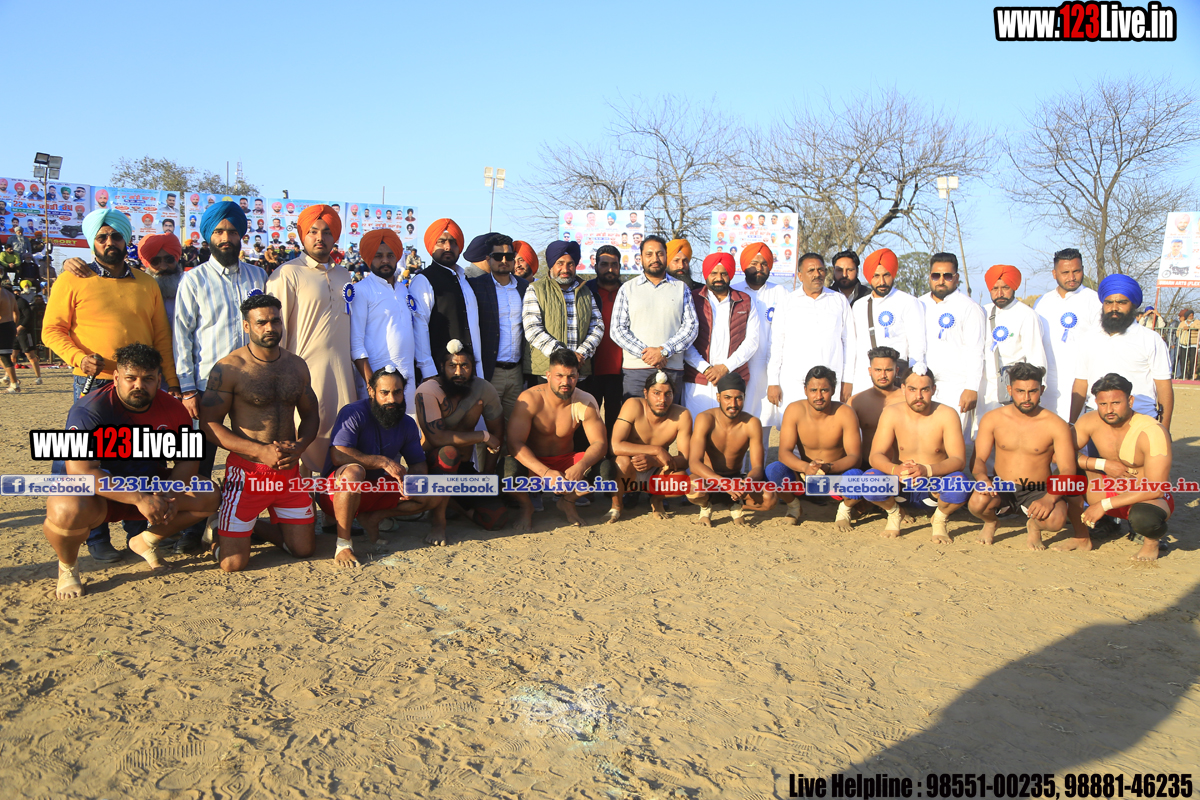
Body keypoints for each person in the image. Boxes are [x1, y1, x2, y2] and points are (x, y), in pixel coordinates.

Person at [44, 209, 180, 563]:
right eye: (102, 237)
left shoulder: (146, 283)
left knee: (142, 455)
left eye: (116, 236)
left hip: (142, 387)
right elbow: (51, 330)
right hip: (94, 384)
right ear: (93, 242)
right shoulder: (73, 279)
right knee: (87, 460)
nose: (109, 243)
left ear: (126, 240)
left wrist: (171, 382)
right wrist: (78, 358)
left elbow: (161, 338)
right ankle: (96, 536)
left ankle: (139, 530)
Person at [43, 344, 221, 599]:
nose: (139, 385)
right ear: (116, 377)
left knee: (208, 493)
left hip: (148, 484)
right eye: (131, 378)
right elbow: (81, 471)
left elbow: (187, 462)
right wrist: (138, 498)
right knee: (65, 508)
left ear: (158, 379)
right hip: (98, 494)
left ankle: (146, 541)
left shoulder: (173, 408)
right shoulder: (89, 410)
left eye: (148, 379)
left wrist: (169, 494)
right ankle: (68, 567)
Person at [199, 294, 320, 572]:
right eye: (261, 322)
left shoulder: (296, 365)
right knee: (232, 564)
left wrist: (301, 446)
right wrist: (259, 451)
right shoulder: (229, 368)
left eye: (275, 321)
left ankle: (251, 526)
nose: (270, 328)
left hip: (288, 472)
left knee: (303, 550)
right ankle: (218, 529)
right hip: (248, 472)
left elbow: (311, 414)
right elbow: (209, 424)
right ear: (246, 326)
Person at [320, 367, 447, 566]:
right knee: (354, 472)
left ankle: (374, 517)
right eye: (384, 393)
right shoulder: (353, 412)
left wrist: (412, 484)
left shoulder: (407, 423)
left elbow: (417, 463)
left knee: (434, 491)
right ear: (371, 391)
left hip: (376, 490)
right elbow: (338, 455)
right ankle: (343, 544)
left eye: (397, 392)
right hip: (336, 493)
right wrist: (383, 461)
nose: (391, 399)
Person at [267, 204, 356, 475]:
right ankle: (302, 501)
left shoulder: (344, 275)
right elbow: (275, 330)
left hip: (342, 374)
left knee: (341, 438)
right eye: (313, 231)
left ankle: (330, 500)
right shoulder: (287, 274)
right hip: (303, 374)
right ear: (302, 235)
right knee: (303, 438)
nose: (320, 238)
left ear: (335, 237)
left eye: (327, 232)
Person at [1058, 373, 1174, 561]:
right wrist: (1102, 464)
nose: (1109, 410)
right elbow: (1059, 454)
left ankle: (1151, 542)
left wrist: (1103, 505)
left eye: (1116, 403)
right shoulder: (1090, 420)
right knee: (1065, 477)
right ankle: (1082, 537)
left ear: (1130, 401)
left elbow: (1157, 488)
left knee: (1144, 518)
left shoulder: (1152, 431)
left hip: (1145, 496)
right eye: (1103, 404)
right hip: (1109, 487)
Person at [968, 363, 1082, 550]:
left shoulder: (1056, 424)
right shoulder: (993, 419)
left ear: (1041, 390)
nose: (1026, 398)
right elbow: (978, 459)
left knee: (1056, 520)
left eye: (1032, 391)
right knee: (977, 502)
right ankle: (991, 522)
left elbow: (1068, 469)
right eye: (1020, 391)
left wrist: (1050, 498)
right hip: (1002, 485)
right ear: (1010, 390)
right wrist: (982, 478)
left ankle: (1034, 526)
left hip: (1038, 488)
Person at [414, 340, 508, 542]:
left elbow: (497, 433)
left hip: (462, 469)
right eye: (452, 366)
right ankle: (438, 521)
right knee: (449, 452)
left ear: (473, 367)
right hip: (432, 468)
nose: (458, 372)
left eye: (464, 366)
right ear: (442, 367)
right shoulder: (428, 390)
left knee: (495, 518)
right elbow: (437, 438)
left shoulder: (484, 389)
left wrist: (487, 476)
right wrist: (482, 436)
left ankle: (451, 504)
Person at [863, 368, 970, 542]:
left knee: (960, 484)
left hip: (933, 491)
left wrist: (927, 470)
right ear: (903, 388)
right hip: (900, 488)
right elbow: (875, 455)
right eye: (912, 389)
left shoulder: (947, 414)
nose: (918, 396)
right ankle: (894, 513)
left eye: (924, 390)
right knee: (868, 480)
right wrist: (895, 469)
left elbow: (958, 460)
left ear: (933, 389)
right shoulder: (891, 413)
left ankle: (940, 519)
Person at [508, 349, 608, 532]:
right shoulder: (530, 399)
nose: (565, 382)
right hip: (535, 464)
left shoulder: (585, 401)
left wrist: (580, 466)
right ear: (548, 375)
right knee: (508, 470)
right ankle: (527, 506)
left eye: (571, 377)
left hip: (566, 462)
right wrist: (545, 472)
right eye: (559, 376)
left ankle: (568, 501)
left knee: (606, 470)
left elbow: (600, 444)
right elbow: (515, 443)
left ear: (578, 376)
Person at [765, 366, 864, 529]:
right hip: (805, 477)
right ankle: (794, 506)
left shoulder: (845, 412)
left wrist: (828, 467)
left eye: (824, 390)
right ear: (805, 390)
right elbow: (783, 453)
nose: (818, 396)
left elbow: (855, 457)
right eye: (813, 390)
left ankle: (844, 511)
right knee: (774, 470)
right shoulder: (794, 410)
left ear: (833, 390)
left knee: (858, 476)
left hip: (835, 478)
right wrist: (805, 467)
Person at [1071, 274, 1173, 431]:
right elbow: (1081, 383)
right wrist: (1072, 423)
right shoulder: (1088, 338)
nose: (1114, 308)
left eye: (1121, 302)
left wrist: (1164, 429)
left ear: (1133, 305)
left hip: (1141, 421)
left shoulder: (1150, 339)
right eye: (1108, 302)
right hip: (1097, 420)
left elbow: (1164, 386)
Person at [610, 235, 699, 398]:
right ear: (641, 258)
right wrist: (647, 354)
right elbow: (617, 330)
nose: (655, 259)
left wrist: (664, 351)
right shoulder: (627, 288)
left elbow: (691, 327)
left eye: (660, 254)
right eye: (649, 254)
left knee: (671, 415)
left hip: (672, 368)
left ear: (666, 256)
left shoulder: (681, 288)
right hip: (636, 370)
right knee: (636, 413)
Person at [685, 372, 773, 526]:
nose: (733, 404)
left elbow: (757, 468)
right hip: (710, 480)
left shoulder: (751, 423)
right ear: (718, 397)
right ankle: (705, 507)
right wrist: (723, 483)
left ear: (744, 398)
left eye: (738, 398)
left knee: (769, 498)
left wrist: (747, 483)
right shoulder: (705, 419)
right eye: (727, 398)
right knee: (692, 488)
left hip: (736, 479)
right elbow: (694, 464)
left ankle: (736, 504)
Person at [768, 252, 851, 411]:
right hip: (794, 383)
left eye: (820, 270)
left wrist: (848, 380)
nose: (817, 274)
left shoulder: (839, 300)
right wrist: (773, 381)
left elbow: (849, 342)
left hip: (830, 382)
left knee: (830, 424)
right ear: (800, 276)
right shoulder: (787, 302)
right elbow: (776, 344)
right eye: (811, 270)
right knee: (794, 423)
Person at [607, 371, 692, 523]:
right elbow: (615, 446)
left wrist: (654, 461)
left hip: (656, 471)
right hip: (629, 471)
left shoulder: (682, 415)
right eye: (656, 393)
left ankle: (657, 500)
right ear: (646, 393)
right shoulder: (633, 405)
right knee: (621, 462)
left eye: (668, 394)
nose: (662, 400)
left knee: (681, 480)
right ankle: (617, 505)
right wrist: (657, 450)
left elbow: (685, 459)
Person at [682, 252, 760, 415]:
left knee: (731, 428)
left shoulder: (744, 301)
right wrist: (706, 369)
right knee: (698, 426)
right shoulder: (692, 299)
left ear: (730, 275)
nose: (719, 278)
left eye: (724, 273)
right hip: (699, 379)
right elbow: (685, 339)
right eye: (714, 273)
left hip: (733, 378)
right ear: (706, 275)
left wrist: (725, 368)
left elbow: (752, 341)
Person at [522, 239, 603, 391]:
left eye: (570, 264)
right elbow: (532, 329)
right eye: (560, 263)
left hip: (579, 372)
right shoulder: (535, 289)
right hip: (546, 373)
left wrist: (581, 354)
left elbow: (597, 326)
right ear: (551, 265)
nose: (565, 269)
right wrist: (564, 356)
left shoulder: (585, 291)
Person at [918, 253, 985, 436]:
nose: (941, 281)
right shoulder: (918, 304)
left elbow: (976, 350)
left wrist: (972, 387)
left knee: (950, 439)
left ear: (956, 278)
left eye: (947, 276)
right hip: (923, 383)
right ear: (930, 277)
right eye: (936, 276)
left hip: (955, 386)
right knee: (924, 438)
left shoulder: (969, 308)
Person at [350, 228, 416, 412]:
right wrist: (372, 385)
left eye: (390, 255)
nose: (385, 260)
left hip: (407, 381)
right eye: (379, 256)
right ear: (369, 258)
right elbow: (356, 344)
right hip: (378, 385)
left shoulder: (403, 290)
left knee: (409, 426)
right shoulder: (361, 290)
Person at [846, 248, 926, 395]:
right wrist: (849, 381)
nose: (881, 282)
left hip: (896, 378)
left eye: (886, 275)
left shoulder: (908, 302)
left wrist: (914, 377)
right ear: (869, 277)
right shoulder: (859, 305)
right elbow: (853, 346)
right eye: (876, 276)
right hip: (864, 380)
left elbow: (917, 344)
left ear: (893, 275)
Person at [409, 218, 482, 381]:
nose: (448, 247)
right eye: (441, 242)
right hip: (439, 373)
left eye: (453, 242)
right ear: (431, 246)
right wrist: (428, 372)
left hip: (468, 372)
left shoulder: (464, 278)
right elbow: (419, 327)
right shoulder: (423, 280)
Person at [1033, 248, 1100, 420]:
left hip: (1081, 383)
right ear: (1054, 273)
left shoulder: (1095, 301)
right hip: (1049, 384)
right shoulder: (1042, 302)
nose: (1072, 277)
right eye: (1065, 273)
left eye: (1076, 271)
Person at [979, 264, 1046, 418]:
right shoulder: (982, 312)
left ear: (1014, 287)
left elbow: (1036, 357)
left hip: (1013, 391)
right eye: (995, 288)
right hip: (984, 392)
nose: (1000, 293)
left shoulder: (1027, 315)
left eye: (1005, 287)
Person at [849, 346, 905, 464]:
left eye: (888, 370)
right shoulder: (857, 401)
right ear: (870, 371)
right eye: (878, 370)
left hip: (901, 467)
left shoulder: (907, 400)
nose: (883, 375)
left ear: (897, 371)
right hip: (867, 467)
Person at [137, 233, 185, 326]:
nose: (163, 267)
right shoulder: (139, 294)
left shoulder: (192, 288)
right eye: (155, 262)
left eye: (169, 260)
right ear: (147, 264)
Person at [12, 282, 42, 386]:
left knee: (30, 354)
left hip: (24, 331)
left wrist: (20, 327)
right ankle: (9, 376)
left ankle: (38, 377)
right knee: (12, 355)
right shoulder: (7, 302)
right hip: (13, 331)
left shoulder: (21, 302)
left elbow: (28, 316)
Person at [0, 285, 18, 391]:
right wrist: (14, 326)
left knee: (5, 357)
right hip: (10, 324)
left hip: (2, 326)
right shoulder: (10, 294)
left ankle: (14, 383)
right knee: (2, 356)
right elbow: (16, 313)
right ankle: (13, 378)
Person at [1176, 310, 1199, 380]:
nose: (1191, 317)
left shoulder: (1196, 322)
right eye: (1190, 316)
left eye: (1192, 315)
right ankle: (1184, 375)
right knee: (1183, 360)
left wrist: (1190, 328)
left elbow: (1198, 327)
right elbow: (1177, 333)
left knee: (1192, 360)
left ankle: (1191, 375)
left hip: (1193, 344)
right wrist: (1183, 330)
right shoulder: (1182, 323)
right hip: (1183, 344)